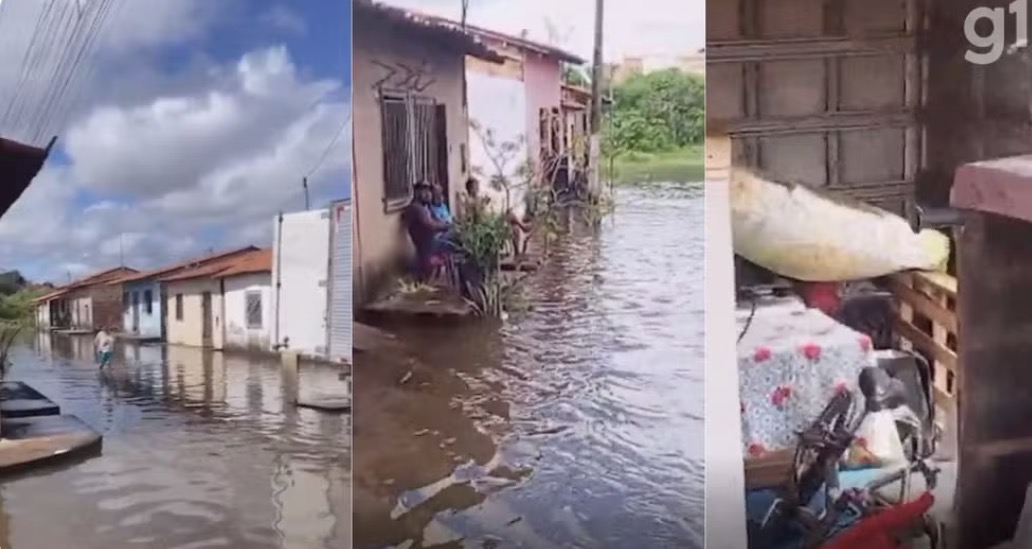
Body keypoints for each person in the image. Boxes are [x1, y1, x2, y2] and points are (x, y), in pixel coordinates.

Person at [404, 181, 452, 280]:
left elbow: (436, 220)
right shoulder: (416, 208)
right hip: (427, 245)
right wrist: (448, 226)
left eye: (429, 192)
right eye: (425, 192)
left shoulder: (424, 207)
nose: (429, 195)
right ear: (417, 192)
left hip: (431, 242)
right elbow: (431, 225)